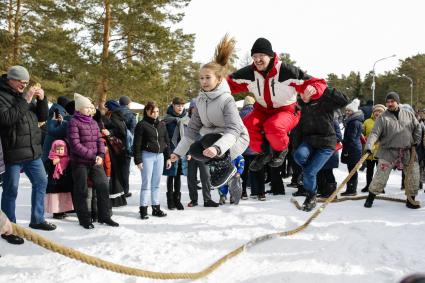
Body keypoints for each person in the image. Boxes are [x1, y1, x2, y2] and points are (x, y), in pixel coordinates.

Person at [170, 35, 249, 206]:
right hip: (212, 141)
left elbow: (234, 130)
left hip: (235, 139)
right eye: (201, 78)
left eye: (208, 78)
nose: (204, 81)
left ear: (219, 79)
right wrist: (178, 152)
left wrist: (217, 148)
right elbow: (191, 130)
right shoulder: (200, 100)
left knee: (206, 140)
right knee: (195, 151)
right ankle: (220, 164)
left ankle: (227, 166)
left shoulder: (226, 100)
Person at [227, 37, 327, 172]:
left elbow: (318, 82)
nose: (257, 60)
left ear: (270, 55)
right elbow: (228, 84)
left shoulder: (286, 71)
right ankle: (264, 152)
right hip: (262, 110)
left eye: (261, 55)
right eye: (254, 56)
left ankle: (281, 149)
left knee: (273, 126)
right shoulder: (250, 73)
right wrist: (212, 86)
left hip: (287, 111)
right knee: (246, 127)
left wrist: (314, 89)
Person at [0, 66, 56, 245]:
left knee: (41, 182)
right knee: (11, 190)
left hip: (32, 150)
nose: (24, 85)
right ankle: (10, 228)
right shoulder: (2, 95)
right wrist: (27, 98)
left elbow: (41, 116)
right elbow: (7, 119)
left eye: (26, 82)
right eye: (21, 82)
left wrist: (42, 99)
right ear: (11, 79)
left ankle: (37, 219)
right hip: (12, 152)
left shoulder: (22, 95)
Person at [67, 93, 119, 229]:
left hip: (96, 161)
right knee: (81, 190)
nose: (90, 110)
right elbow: (75, 145)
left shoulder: (94, 122)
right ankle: (84, 219)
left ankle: (105, 216)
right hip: (80, 162)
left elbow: (100, 140)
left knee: (103, 186)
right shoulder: (73, 122)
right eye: (87, 108)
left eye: (91, 108)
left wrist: (101, 154)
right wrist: (92, 156)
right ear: (79, 109)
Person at [293, 87, 349, 211]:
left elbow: (344, 101)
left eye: (306, 92)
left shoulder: (325, 102)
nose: (303, 95)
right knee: (298, 156)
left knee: (309, 173)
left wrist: (324, 89)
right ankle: (308, 174)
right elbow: (297, 129)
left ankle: (311, 195)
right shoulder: (300, 107)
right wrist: (296, 147)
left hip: (326, 143)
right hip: (309, 142)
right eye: (301, 93)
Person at [364, 92, 422, 209]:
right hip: (388, 151)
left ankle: (411, 200)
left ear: (397, 101)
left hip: (408, 151)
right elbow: (375, 133)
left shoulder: (408, 114)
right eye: (388, 102)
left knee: (412, 176)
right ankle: (370, 198)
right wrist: (369, 146)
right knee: (380, 176)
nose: (390, 104)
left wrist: (416, 141)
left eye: (392, 101)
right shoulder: (382, 117)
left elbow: (417, 128)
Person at [133, 101, 172, 219]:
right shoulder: (142, 125)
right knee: (146, 184)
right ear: (147, 111)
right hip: (147, 156)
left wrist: (168, 157)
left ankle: (156, 208)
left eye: (157, 112)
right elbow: (137, 144)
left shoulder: (162, 124)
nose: (155, 114)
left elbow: (166, 142)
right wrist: (138, 160)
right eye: (153, 111)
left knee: (156, 184)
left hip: (160, 157)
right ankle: (143, 209)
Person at [185, 99, 218, 208]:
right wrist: (187, 152)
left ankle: (207, 200)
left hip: (203, 154)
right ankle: (193, 200)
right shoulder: (184, 121)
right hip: (190, 154)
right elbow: (180, 139)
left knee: (206, 177)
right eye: (195, 108)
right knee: (191, 178)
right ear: (191, 109)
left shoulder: (206, 121)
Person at [162, 97, 189, 210]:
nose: (180, 108)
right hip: (170, 150)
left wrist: (188, 151)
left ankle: (177, 199)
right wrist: (167, 153)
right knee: (171, 175)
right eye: (178, 105)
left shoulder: (186, 119)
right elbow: (164, 137)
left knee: (178, 175)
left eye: (182, 106)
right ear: (173, 105)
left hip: (182, 150)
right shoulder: (167, 119)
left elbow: (189, 137)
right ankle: (170, 200)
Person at [44, 140, 74, 219]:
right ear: (53, 149)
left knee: (63, 196)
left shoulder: (67, 159)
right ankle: (56, 213)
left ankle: (63, 210)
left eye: (62, 149)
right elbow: (46, 167)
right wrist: (52, 163)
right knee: (56, 197)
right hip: (54, 182)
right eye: (58, 149)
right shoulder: (51, 158)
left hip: (65, 182)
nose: (60, 151)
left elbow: (70, 169)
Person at [340, 99, 364, 196]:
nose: (347, 112)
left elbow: (351, 138)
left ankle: (351, 190)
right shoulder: (354, 121)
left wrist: (346, 151)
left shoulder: (353, 123)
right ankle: (351, 188)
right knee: (352, 169)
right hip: (354, 148)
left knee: (352, 170)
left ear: (354, 111)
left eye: (349, 111)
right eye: (346, 110)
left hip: (353, 149)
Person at [361, 104, 386, 193]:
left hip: (381, 150)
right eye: (376, 111)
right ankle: (368, 185)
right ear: (373, 112)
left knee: (380, 171)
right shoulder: (367, 121)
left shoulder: (386, 121)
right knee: (369, 170)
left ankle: (380, 187)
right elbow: (362, 133)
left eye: (380, 111)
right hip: (370, 151)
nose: (377, 113)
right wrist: (364, 137)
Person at [118, 95, 137, 197]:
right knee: (125, 169)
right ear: (128, 103)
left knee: (117, 168)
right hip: (126, 145)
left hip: (115, 144)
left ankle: (117, 190)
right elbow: (134, 130)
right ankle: (125, 191)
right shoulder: (131, 115)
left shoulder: (113, 113)